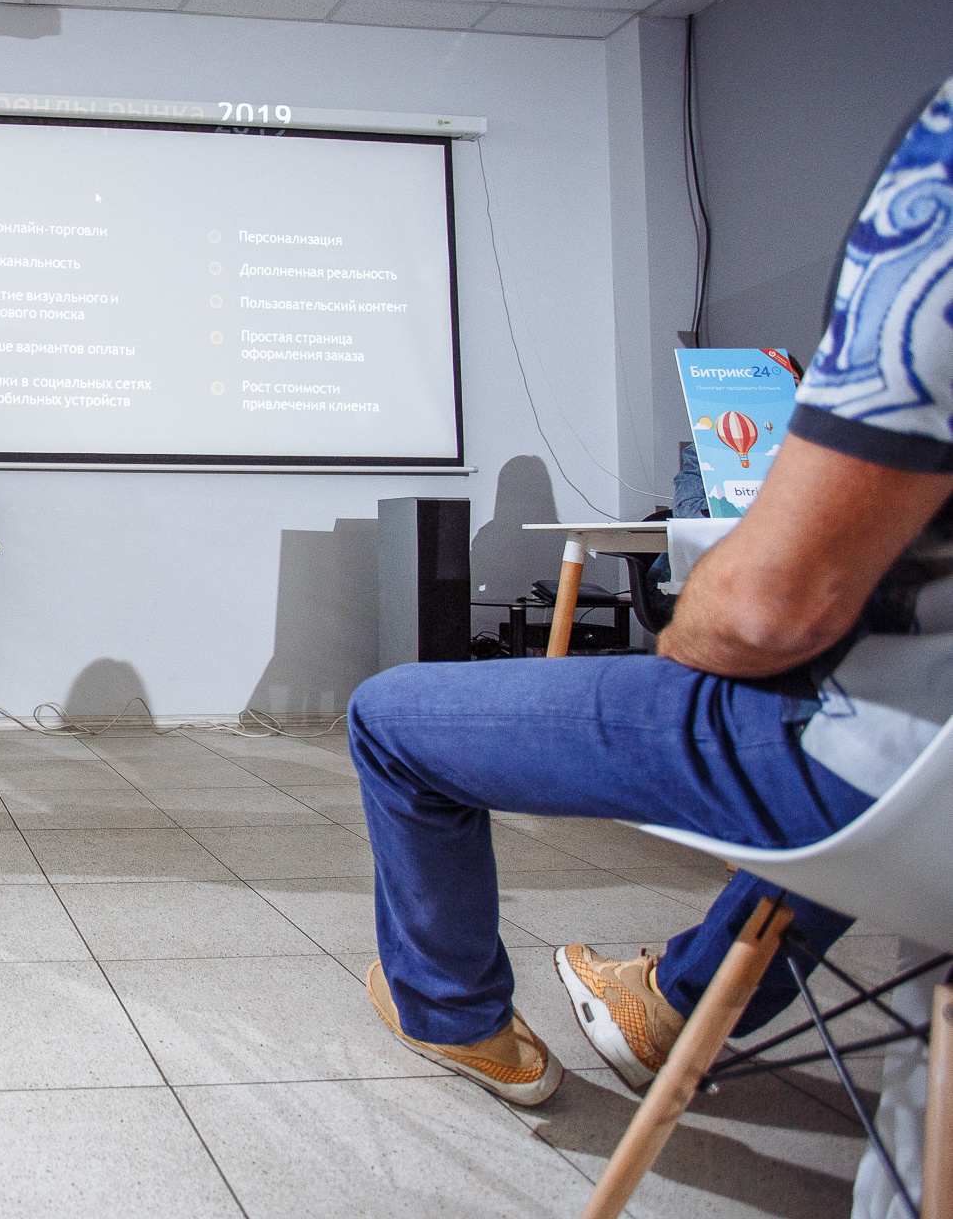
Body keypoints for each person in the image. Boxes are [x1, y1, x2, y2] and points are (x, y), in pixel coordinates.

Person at [346, 72, 953, 1106]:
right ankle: (672, 1000)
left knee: (387, 716)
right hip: (928, 799)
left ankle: (452, 1011)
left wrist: (691, 618)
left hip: (883, 764)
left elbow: (766, 612)